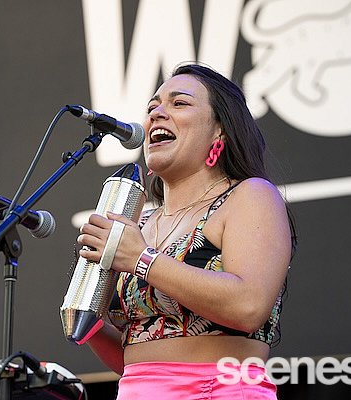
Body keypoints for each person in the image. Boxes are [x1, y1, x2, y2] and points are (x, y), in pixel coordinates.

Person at [76, 63, 296, 399]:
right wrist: (85, 314)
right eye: (152, 108)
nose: (156, 114)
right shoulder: (142, 223)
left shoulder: (249, 195)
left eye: (179, 103)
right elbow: (135, 359)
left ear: (220, 130)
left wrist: (141, 259)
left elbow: (249, 306)